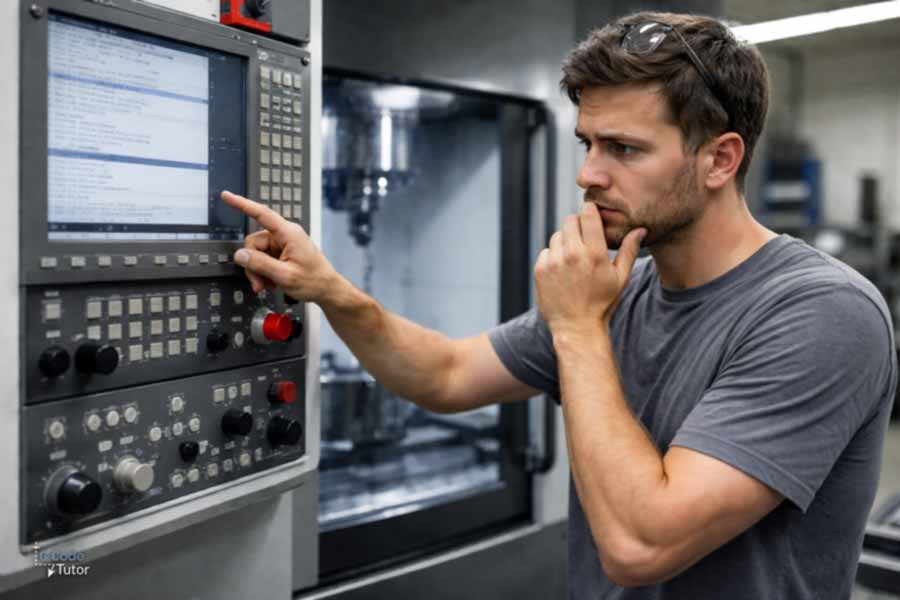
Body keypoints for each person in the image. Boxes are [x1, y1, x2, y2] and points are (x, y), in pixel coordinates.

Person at [221, 11, 897, 599]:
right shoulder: (622, 289)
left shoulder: (821, 313)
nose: (588, 174)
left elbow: (641, 546)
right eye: (588, 143)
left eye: (624, 148)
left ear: (719, 160)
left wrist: (577, 327)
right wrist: (331, 289)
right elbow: (447, 375)